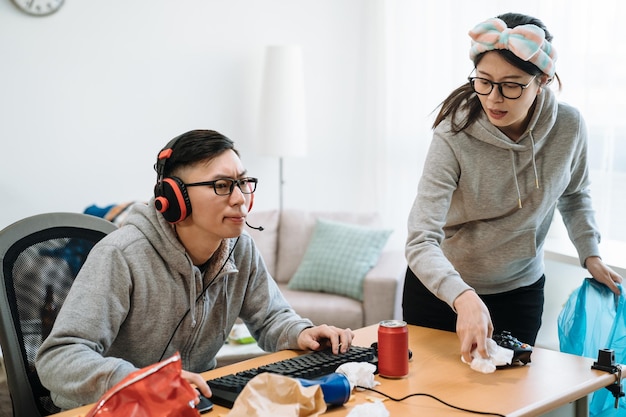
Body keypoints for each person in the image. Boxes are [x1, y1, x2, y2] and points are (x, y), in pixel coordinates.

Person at [36, 129, 354, 410]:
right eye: (221, 185)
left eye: (244, 183)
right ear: (174, 199)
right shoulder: (121, 255)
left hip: (194, 404)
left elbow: (271, 317)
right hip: (118, 408)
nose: (240, 198)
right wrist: (142, 381)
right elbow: (60, 358)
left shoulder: (241, 249)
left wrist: (301, 332)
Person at [403, 13, 623, 365]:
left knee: (508, 401)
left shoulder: (568, 127)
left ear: (543, 81)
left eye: (512, 85)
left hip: (520, 292)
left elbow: (575, 193)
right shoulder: (453, 134)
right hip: (443, 292)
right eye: (484, 81)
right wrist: (463, 296)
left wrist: (590, 253)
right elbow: (420, 239)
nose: (493, 98)